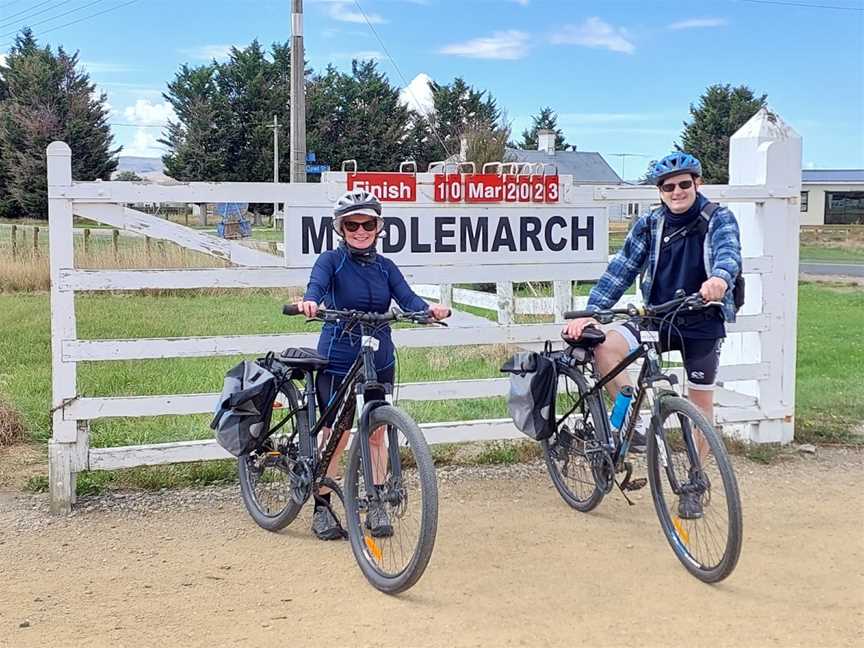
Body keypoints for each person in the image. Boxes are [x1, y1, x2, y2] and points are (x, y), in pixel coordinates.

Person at [563, 151, 742, 465]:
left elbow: (728, 252)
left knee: (700, 403)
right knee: (605, 348)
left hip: (702, 319)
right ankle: (635, 424)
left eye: (683, 184)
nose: (677, 192)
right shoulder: (650, 223)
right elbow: (621, 269)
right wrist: (592, 310)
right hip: (656, 318)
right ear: (660, 191)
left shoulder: (718, 217)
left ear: (697, 183)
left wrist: (720, 279)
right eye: (667, 187)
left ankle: (695, 477)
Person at [296, 188, 449, 540]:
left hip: (379, 356)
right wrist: (309, 303)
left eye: (368, 224)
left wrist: (427, 311)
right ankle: (321, 505)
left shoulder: (386, 267)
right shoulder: (330, 262)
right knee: (336, 434)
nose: (361, 231)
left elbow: (407, 298)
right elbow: (316, 288)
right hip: (338, 356)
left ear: (379, 226)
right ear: (341, 228)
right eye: (352, 224)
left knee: (378, 432)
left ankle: (376, 500)